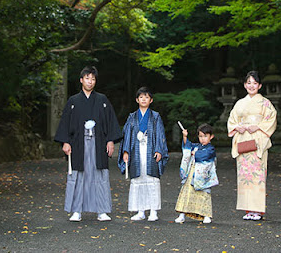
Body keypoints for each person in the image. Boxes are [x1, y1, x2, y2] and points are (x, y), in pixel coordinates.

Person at [54, 66, 123, 222]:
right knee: (78, 175)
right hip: (78, 143)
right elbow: (65, 123)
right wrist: (65, 142)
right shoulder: (73, 101)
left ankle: (102, 210)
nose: (90, 81)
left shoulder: (102, 100)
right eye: (87, 78)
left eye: (92, 79)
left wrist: (111, 140)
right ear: (81, 80)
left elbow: (110, 121)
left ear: (95, 81)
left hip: (98, 142)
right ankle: (76, 210)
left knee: (100, 175)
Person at [227, 70, 277, 221]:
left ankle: (258, 210)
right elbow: (232, 120)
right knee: (244, 176)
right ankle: (248, 210)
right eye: (249, 83)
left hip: (257, 140)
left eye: (254, 83)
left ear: (260, 85)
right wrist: (237, 127)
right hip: (243, 139)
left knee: (257, 176)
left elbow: (271, 119)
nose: (251, 86)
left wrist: (258, 127)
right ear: (244, 85)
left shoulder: (265, 103)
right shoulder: (240, 103)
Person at [118, 87, 169, 222]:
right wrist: (126, 151)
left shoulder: (155, 116)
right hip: (136, 149)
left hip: (151, 149)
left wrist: (159, 150)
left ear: (151, 100)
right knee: (137, 179)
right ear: (137, 100)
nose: (144, 99)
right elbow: (127, 134)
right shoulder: (132, 117)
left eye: (146, 97)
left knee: (152, 179)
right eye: (141, 97)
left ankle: (153, 211)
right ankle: (140, 210)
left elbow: (160, 133)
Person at [174, 123, 219, 224]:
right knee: (186, 193)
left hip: (203, 176)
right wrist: (185, 136)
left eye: (205, 136)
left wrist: (196, 153)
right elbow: (188, 146)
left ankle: (206, 215)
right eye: (200, 136)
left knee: (204, 195)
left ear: (211, 136)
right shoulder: (196, 146)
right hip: (192, 174)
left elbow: (206, 155)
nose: (203, 139)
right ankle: (182, 215)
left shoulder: (210, 149)